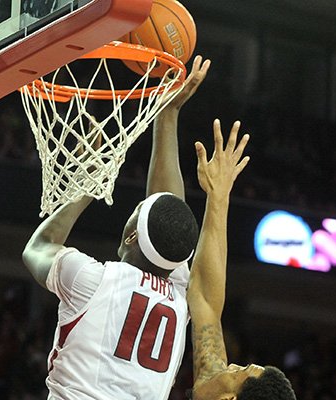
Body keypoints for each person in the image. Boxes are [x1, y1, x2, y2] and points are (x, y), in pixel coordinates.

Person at [22, 56, 211, 399]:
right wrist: (167, 115)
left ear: (131, 235)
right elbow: (167, 205)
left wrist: (86, 183)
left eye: (137, 211)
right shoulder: (179, 299)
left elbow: (38, 247)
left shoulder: (91, 280)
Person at [187, 119, 297, 400]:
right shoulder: (216, 386)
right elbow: (206, 301)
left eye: (239, 371)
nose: (231, 364)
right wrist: (218, 197)